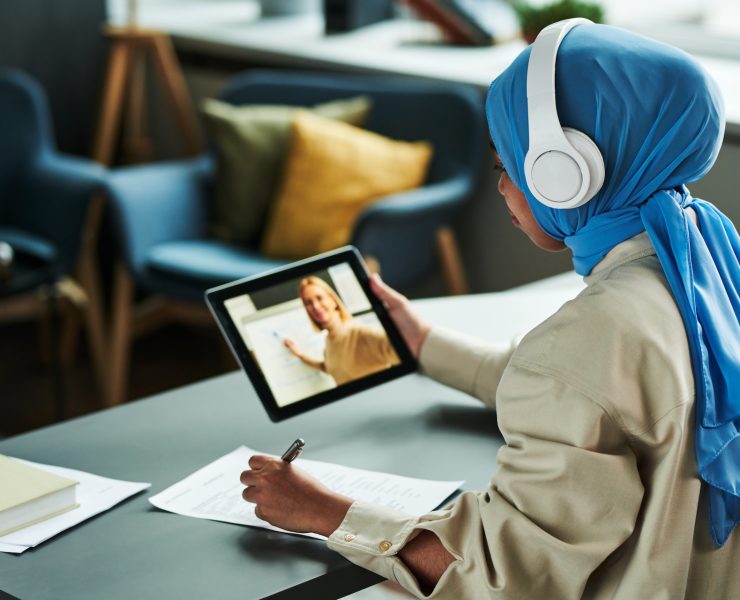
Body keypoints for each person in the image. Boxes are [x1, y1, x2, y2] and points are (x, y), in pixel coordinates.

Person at [239, 21, 739, 598]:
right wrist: (424, 342)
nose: (501, 185)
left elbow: (500, 576)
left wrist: (324, 511)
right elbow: (603, 393)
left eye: (510, 165)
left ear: (566, 174)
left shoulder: (588, 338)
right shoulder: (710, 266)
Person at [283, 275, 400, 385]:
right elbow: (328, 367)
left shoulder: (360, 332)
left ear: (333, 300)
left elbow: (399, 350)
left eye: (319, 298)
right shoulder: (328, 343)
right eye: (308, 303)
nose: (316, 306)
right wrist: (299, 355)